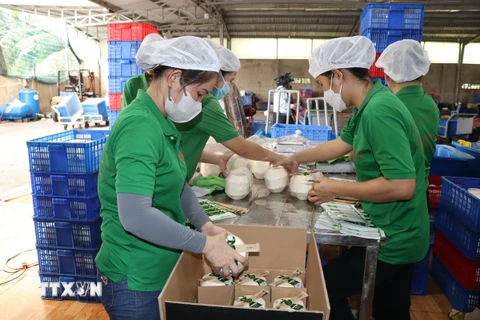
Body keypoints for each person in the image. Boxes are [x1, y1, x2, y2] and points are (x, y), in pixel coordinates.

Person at [276, 36, 429, 320]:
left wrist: (338, 188)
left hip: (395, 234)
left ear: (338, 75)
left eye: (322, 84)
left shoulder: (380, 111)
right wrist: (296, 157)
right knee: (390, 308)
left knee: (325, 286)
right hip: (395, 225)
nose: (324, 92)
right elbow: (340, 144)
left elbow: (402, 185)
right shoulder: (368, 103)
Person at [96, 36, 247, 320]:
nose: (201, 103)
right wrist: (205, 245)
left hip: (160, 264)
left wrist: (206, 225)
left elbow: (177, 184)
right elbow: (135, 216)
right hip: (135, 275)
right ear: (175, 77)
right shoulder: (139, 126)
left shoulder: (162, 119)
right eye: (200, 94)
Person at [123, 38, 284, 181]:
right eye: (200, 94)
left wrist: (216, 160)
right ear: (174, 77)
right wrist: (278, 158)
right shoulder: (141, 122)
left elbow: (174, 152)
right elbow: (136, 203)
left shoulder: (159, 114)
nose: (223, 86)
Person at [376, 40, 440, 193]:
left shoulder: (389, 106)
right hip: (421, 191)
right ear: (421, 72)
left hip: (395, 195)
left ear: (387, 75)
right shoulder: (430, 103)